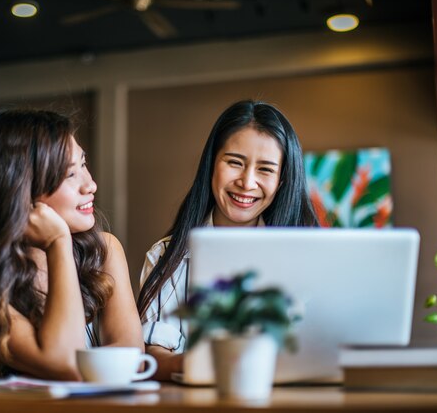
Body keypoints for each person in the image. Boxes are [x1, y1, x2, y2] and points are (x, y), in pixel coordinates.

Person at [0, 107, 143, 382]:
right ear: (20, 188)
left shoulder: (105, 251)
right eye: (70, 175)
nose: (90, 184)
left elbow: (132, 361)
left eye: (83, 164)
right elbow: (64, 363)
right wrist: (58, 242)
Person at [136, 100, 318, 380]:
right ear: (211, 165)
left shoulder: (305, 257)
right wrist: (207, 362)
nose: (247, 182)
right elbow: (154, 354)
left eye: (266, 169)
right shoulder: (167, 256)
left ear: (281, 181)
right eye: (235, 163)